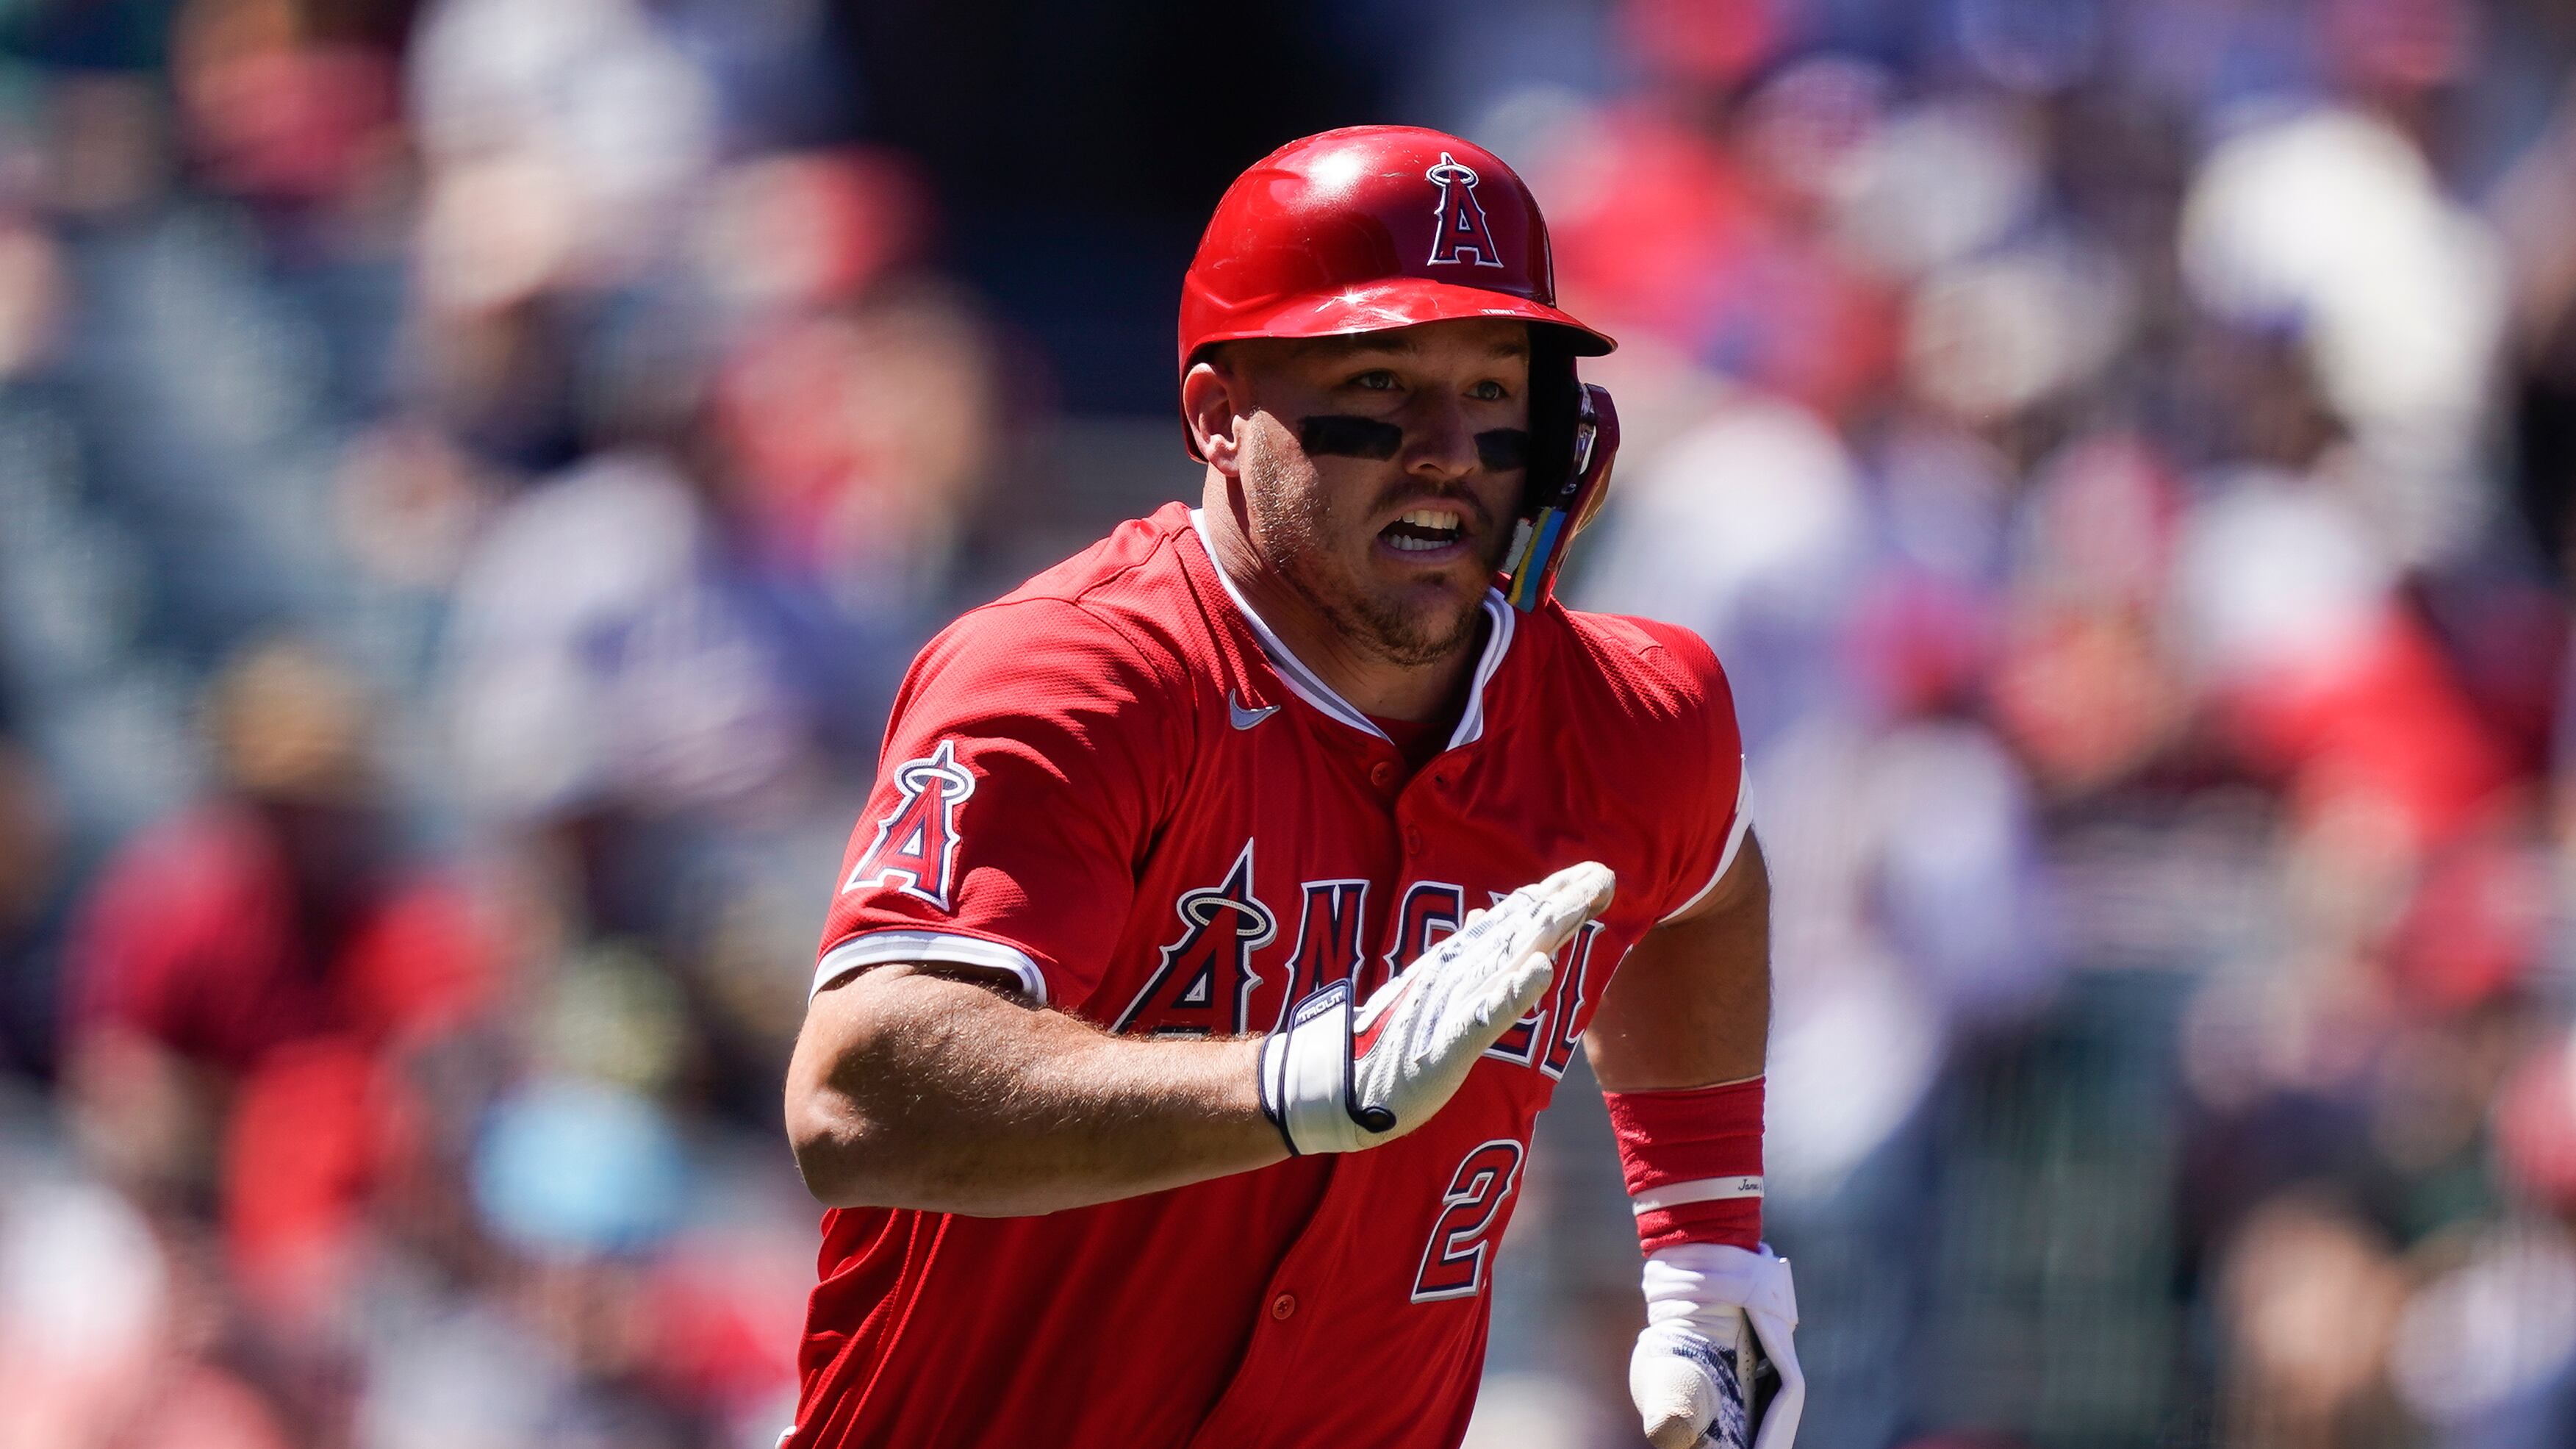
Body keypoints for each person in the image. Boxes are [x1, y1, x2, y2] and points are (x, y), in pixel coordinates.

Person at [781, 126, 1803, 1449]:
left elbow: (1704, 881)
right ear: (1215, 415)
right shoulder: (1080, 680)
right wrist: (1297, 1086)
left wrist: (1707, 1262)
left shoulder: (1633, 716)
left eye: (1495, 391)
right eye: (1379, 381)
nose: (1445, 448)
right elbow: (855, 1098)